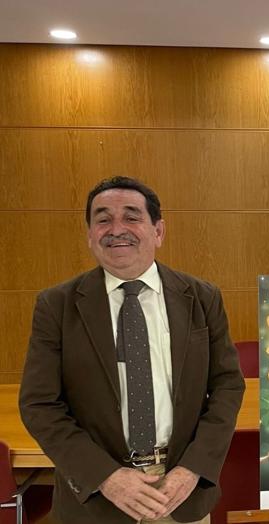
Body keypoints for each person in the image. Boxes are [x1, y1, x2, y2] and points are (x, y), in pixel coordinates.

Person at [19, 176, 246, 523]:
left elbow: (227, 387)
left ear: (158, 231)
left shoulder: (202, 298)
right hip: (96, 501)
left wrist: (192, 469)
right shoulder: (57, 305)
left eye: (131, 216)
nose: (116, 229)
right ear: (90, 235)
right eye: (103, 219)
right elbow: (39, 405)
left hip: (180, 493)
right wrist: (106, 477)